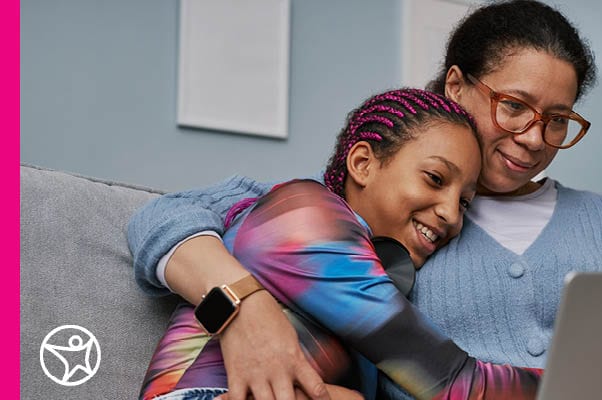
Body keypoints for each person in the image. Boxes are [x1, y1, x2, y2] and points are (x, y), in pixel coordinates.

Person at [128, 1, 602, 400]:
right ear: (457, 86)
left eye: (557, 120)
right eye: (515, 106)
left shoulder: (600, 221)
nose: (532, 136)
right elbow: (163, 216)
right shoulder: (339, 205)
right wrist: (241, 304)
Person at [137, 88, 546, 400]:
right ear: (363, 163)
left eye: (464, 202)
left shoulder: (368, 257)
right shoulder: (304, 215)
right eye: (435, 179)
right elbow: (453, 382)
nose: (451, 214)